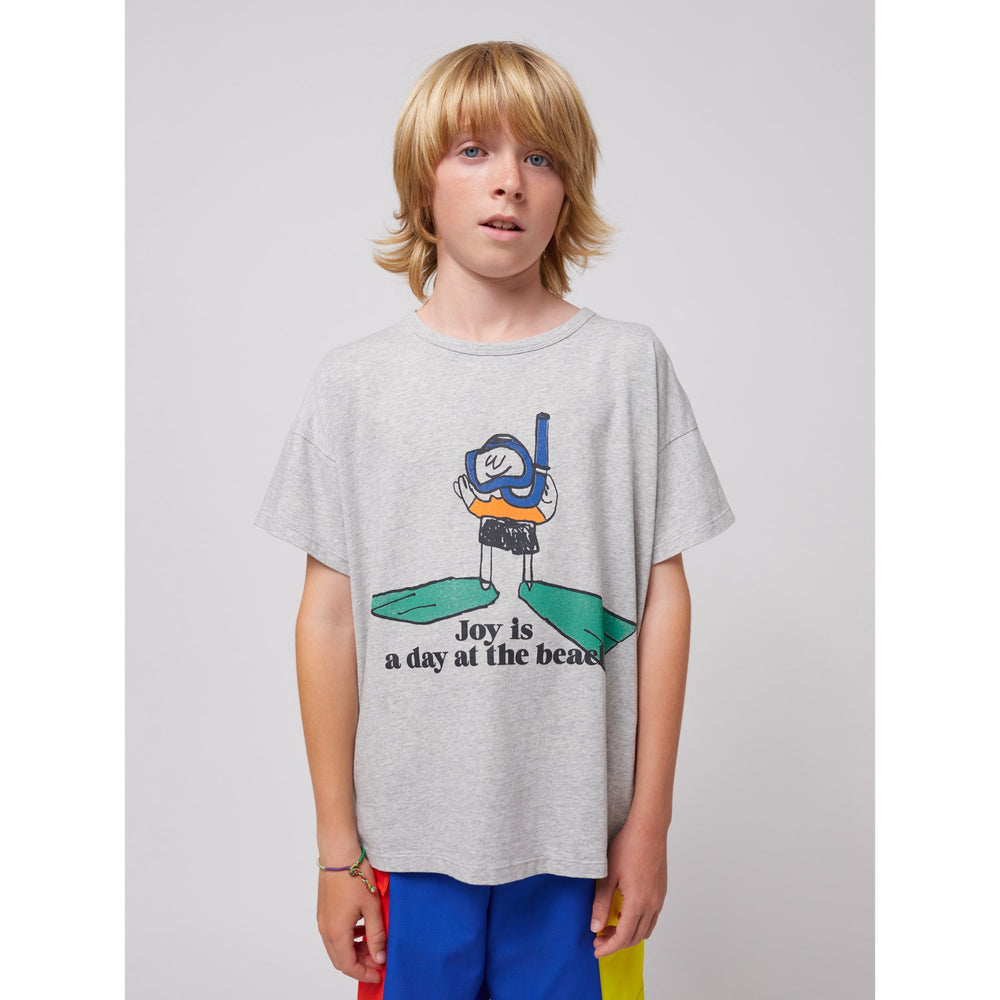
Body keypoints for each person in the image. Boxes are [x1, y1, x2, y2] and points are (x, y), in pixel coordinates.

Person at [254, 40, 736, 1000]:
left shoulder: (626, 367)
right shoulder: (355, 384)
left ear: (568, 190)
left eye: (540, 157)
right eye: (473, 150)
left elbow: (663, 604)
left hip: (582, 851)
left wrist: (649, 826)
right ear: (421, 183)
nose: (509, 180)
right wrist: (337, 850)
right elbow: (330, 618)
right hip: (405, 848)